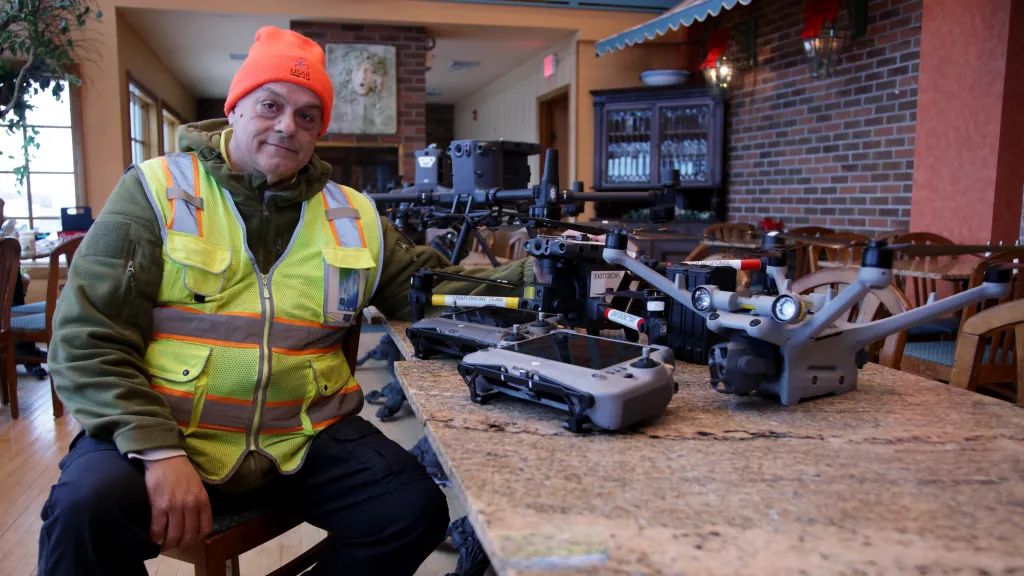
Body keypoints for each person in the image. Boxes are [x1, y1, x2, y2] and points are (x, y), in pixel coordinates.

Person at [37, 26, 537, 575]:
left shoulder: (352, 214)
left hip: (304, 438)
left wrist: (540, 271)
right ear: (234, 109)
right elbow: (87, 335)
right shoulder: (154, 191)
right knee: (81, 514)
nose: (287, 126)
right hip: (167, 429)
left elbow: (429, 290)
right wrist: (157, 449)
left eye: (306, 116)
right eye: (270, 105)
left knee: (411, 509)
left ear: (318, 131)